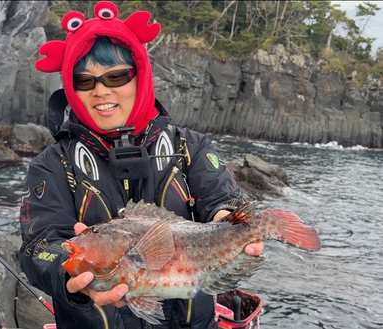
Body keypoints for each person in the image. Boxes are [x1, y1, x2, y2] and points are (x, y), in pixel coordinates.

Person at [19, 2, 263, 328]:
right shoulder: (51, 165)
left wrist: (228, 222)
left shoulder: (191, 147)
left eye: (116, 76)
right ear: (70, 88)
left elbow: (224, 201)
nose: (101, 90)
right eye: (84, 81)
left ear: (140, 74)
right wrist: (68, 268)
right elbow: (38, 247)